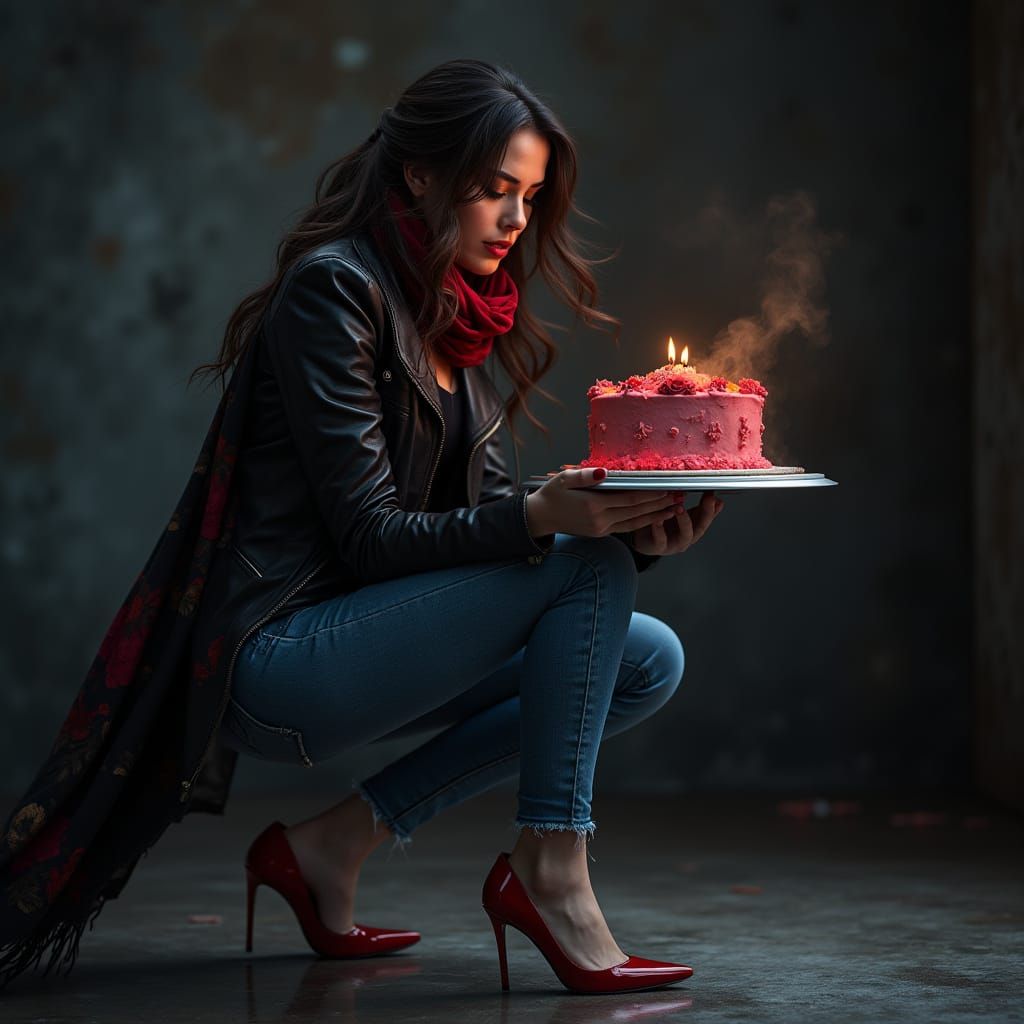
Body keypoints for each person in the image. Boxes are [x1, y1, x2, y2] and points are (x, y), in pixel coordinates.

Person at [0, 58, 722, 995]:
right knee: (582, 567)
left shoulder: (457, 313)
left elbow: (484, 527)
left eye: (532, 196)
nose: (516, 219)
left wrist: (630, 532)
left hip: (377, 639)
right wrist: (548, 522)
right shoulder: (335, 292)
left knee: (646, 655)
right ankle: (551, 870)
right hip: (279, 655)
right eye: (495, 188)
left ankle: (332, 844)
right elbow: (374, 537)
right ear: (419, 174)